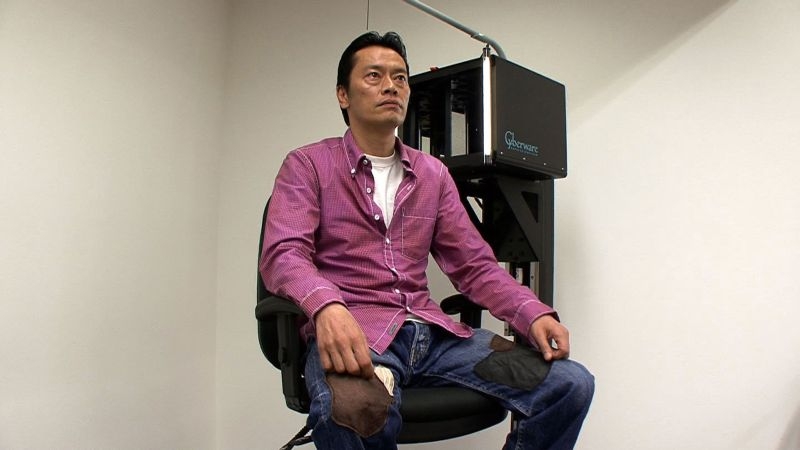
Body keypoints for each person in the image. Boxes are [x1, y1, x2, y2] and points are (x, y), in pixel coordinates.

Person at [260, 31, 594, 450]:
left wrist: (532, 313)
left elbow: (474, 266)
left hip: (433, 337)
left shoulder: (433, 174)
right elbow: (284, 254)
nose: (391, 86)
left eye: (400, 78)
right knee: (354, 411)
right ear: (343, 95)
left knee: (569, 385)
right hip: (358, 336)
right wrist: (326, 306)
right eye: (374, 76)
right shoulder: (308, 164)